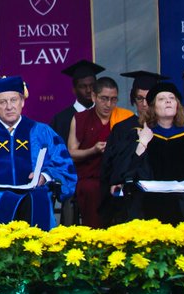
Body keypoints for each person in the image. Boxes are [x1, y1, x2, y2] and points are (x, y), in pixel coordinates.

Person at [0, 75, 77, 231]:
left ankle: (38, 247)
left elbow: (63, 166)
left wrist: (46, 176)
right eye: (2, 102)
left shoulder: (43, 132)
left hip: (34, 192)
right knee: (3, 199)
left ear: (22, 102)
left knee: (38, 199)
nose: (9, 107)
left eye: (13, 100)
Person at [111, 81, 184, 224]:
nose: (168, 101)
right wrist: (142, 143)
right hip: (148, 203)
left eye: (172, 98)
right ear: (153, 107)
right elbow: (126, 173)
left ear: (177, 106)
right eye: (161, 99)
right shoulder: (138, 135)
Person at [68, 76, 132, 227]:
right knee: (91, 189)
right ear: (93, 96)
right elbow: (71, 153)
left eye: (113, 99)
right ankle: (95, 234)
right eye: (104, 98)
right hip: (92, 177)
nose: (108, 104)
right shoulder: (80, 118)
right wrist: (93, 150)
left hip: (117, 176)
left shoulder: (125, 119)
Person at [101, 70, 165, 224]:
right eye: (139, 98)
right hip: (130, 194)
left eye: (149, 98)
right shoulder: (122, 129)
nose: (144, 104)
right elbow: (110, 166)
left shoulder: (166, 127)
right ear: (133, 99)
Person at [50, 60, 104, 143]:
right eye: (83, 86)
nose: (88, 90)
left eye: (92, 85)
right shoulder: (61, 120)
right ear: (74, 90)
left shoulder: (105, 114)